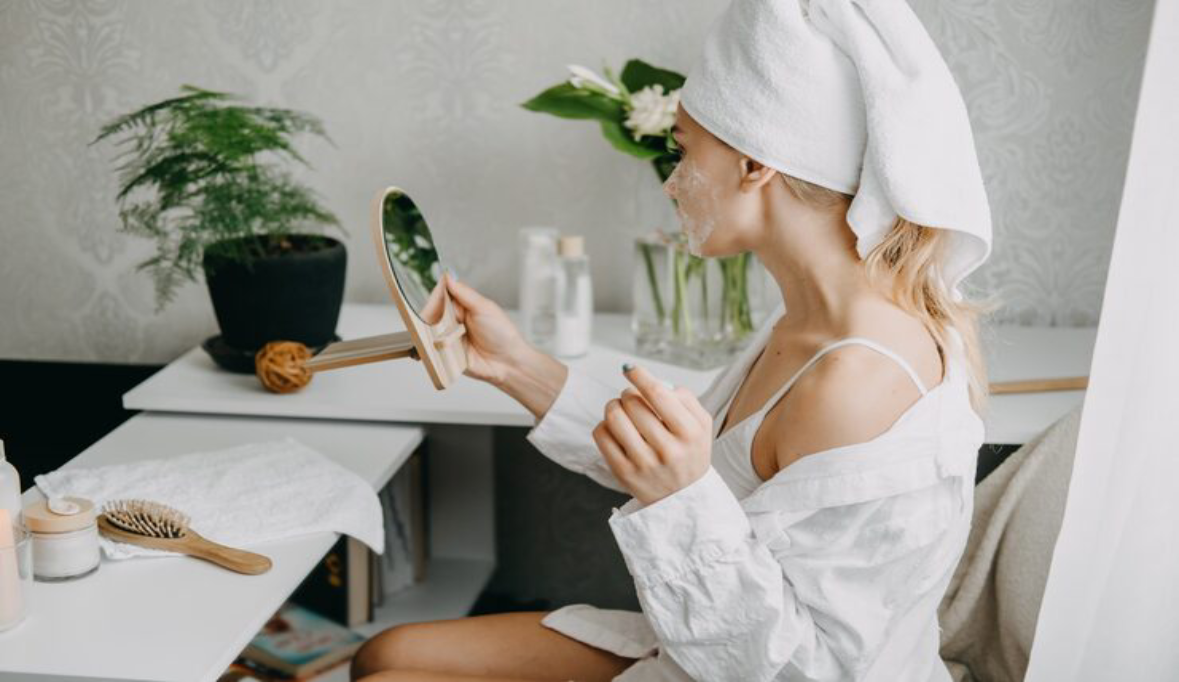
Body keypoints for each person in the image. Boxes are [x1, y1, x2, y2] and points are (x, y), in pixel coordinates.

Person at [352, 0, 996, 679]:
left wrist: (679, 499)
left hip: (756, 663)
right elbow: (695, 463)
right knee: (385, 653)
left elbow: (811, 669)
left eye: (681, 151)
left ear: (756, 165)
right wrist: (515, 365)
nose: (669, 182)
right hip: (714, 641)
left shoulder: (854, 386)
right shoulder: (808, 322)